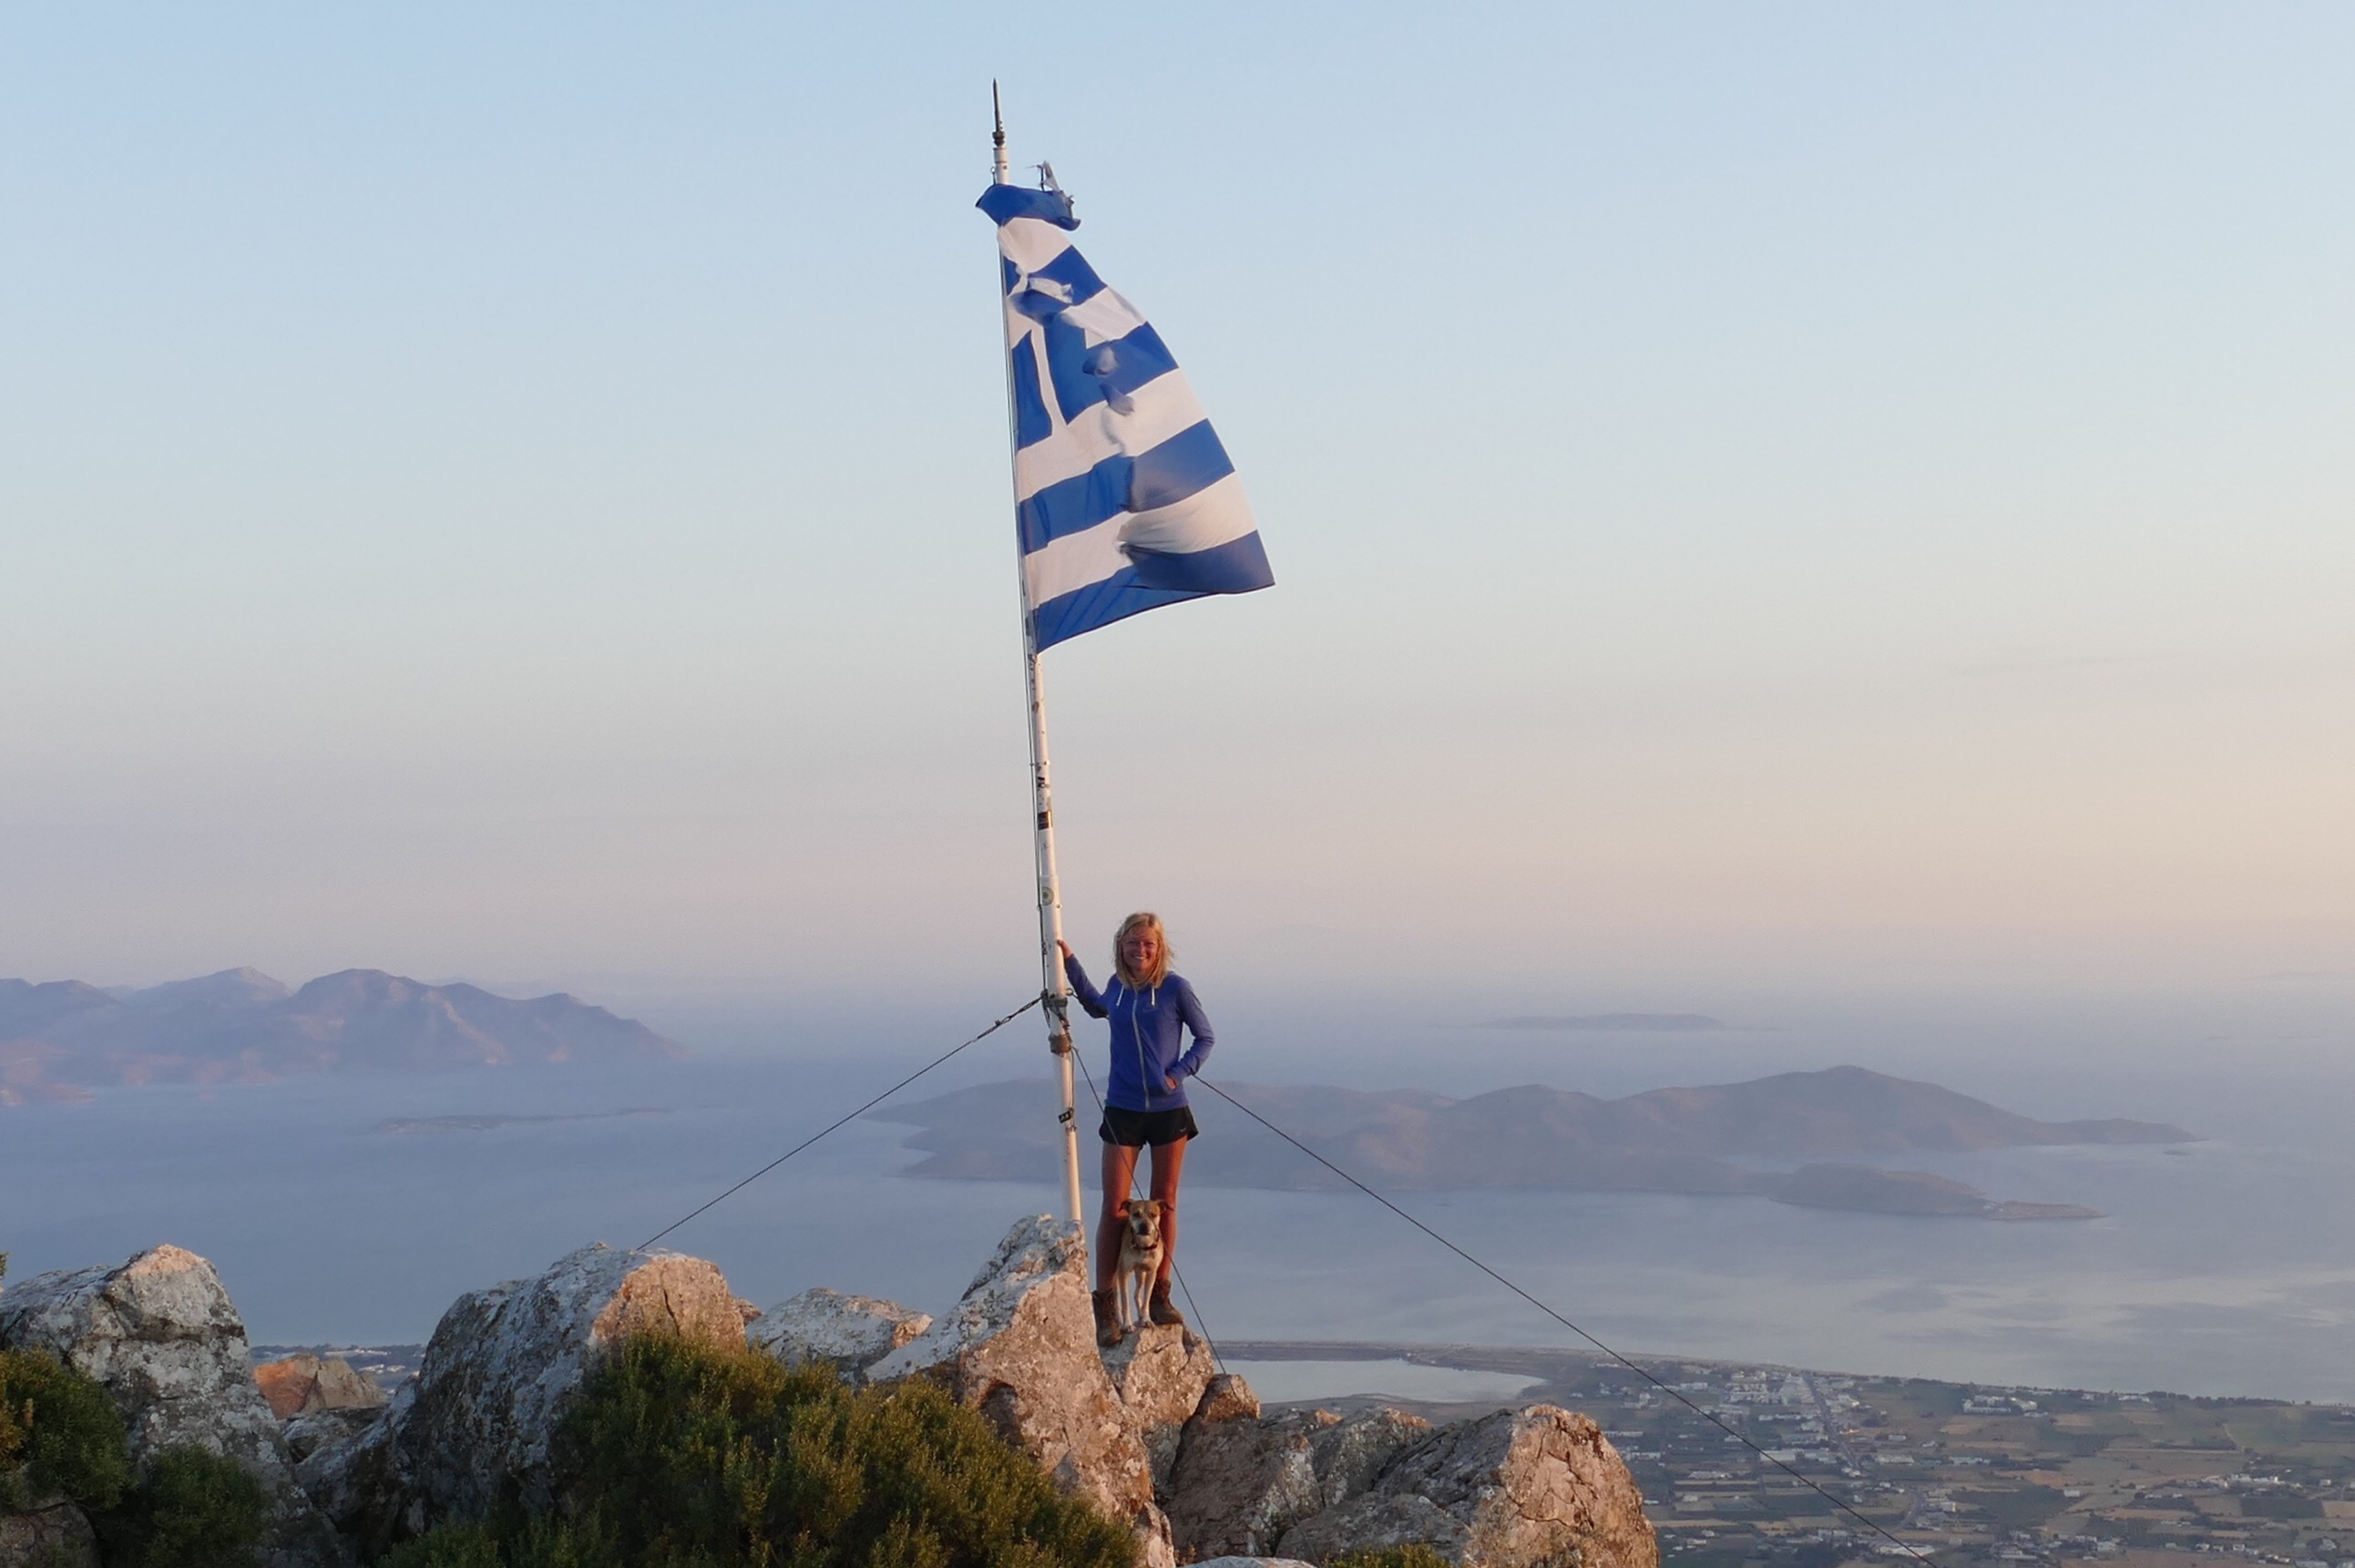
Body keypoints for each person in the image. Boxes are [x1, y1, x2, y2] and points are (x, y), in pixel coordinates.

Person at [1057, 911, 1213, 1347]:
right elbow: (1093, 1005)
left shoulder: (1176, 989)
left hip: (1168, 1109)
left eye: (1148, 943)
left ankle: (1160, 1295)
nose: (1140, 950)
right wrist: (1068, 962)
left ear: (1159, 947)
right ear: (1120, 946)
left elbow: (1205, 1038)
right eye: (1132, 943)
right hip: (1123, 1107)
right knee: (1114, 1207)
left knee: (1168, 1203)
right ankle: (1106, 1305)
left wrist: (1178, 1073)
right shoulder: (1118, 988)